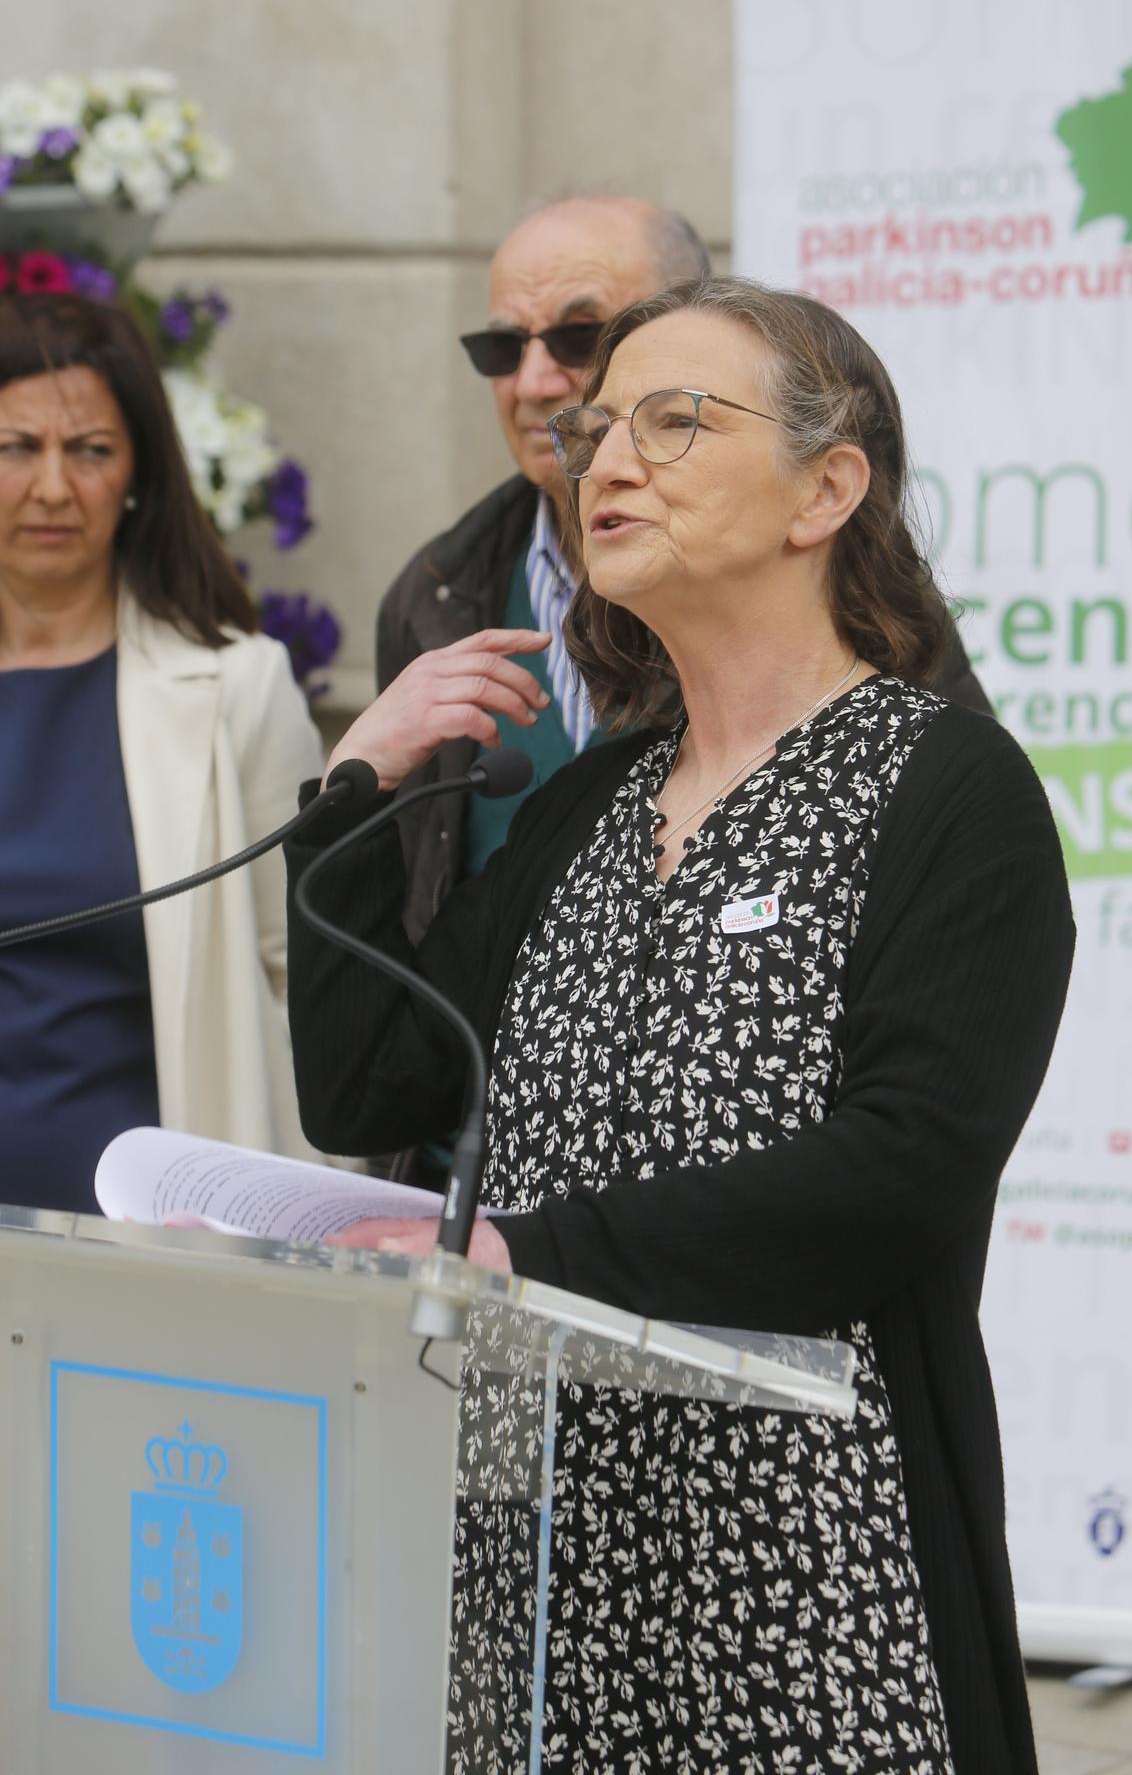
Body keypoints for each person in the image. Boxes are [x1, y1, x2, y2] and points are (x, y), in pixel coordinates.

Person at [287, 277, 1073, 1774]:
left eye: (674, 422)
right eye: (596, 432)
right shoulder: (589, 802)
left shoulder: (947, 791)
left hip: (806, 1551)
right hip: (550, 1529)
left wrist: (532, 1254)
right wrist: (351, 794)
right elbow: (364, 1084)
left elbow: (904, 1172)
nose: (606, 460)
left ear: (825, 489)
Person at [377, 194, 991, 943]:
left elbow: (951, 884)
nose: (534, 381)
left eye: (578, 335)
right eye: (502, 349)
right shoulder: (434, 590)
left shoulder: (842, 610)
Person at [0, 293, 323, 1213]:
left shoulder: (238, 689)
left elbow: (301, 981)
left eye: (91, 450)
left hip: (157, 1244)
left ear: (138, 473)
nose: (54, 487)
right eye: (17, 446)